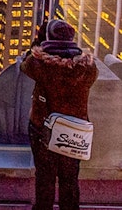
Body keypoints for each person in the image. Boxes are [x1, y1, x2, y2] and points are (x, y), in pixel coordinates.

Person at [20, 19, 98, 210]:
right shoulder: (88, 68)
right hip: (75, 130)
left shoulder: (40, 65)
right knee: (70, 178)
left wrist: (39, 44)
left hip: (42, 128)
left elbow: (25, 63)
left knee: (45, 177)